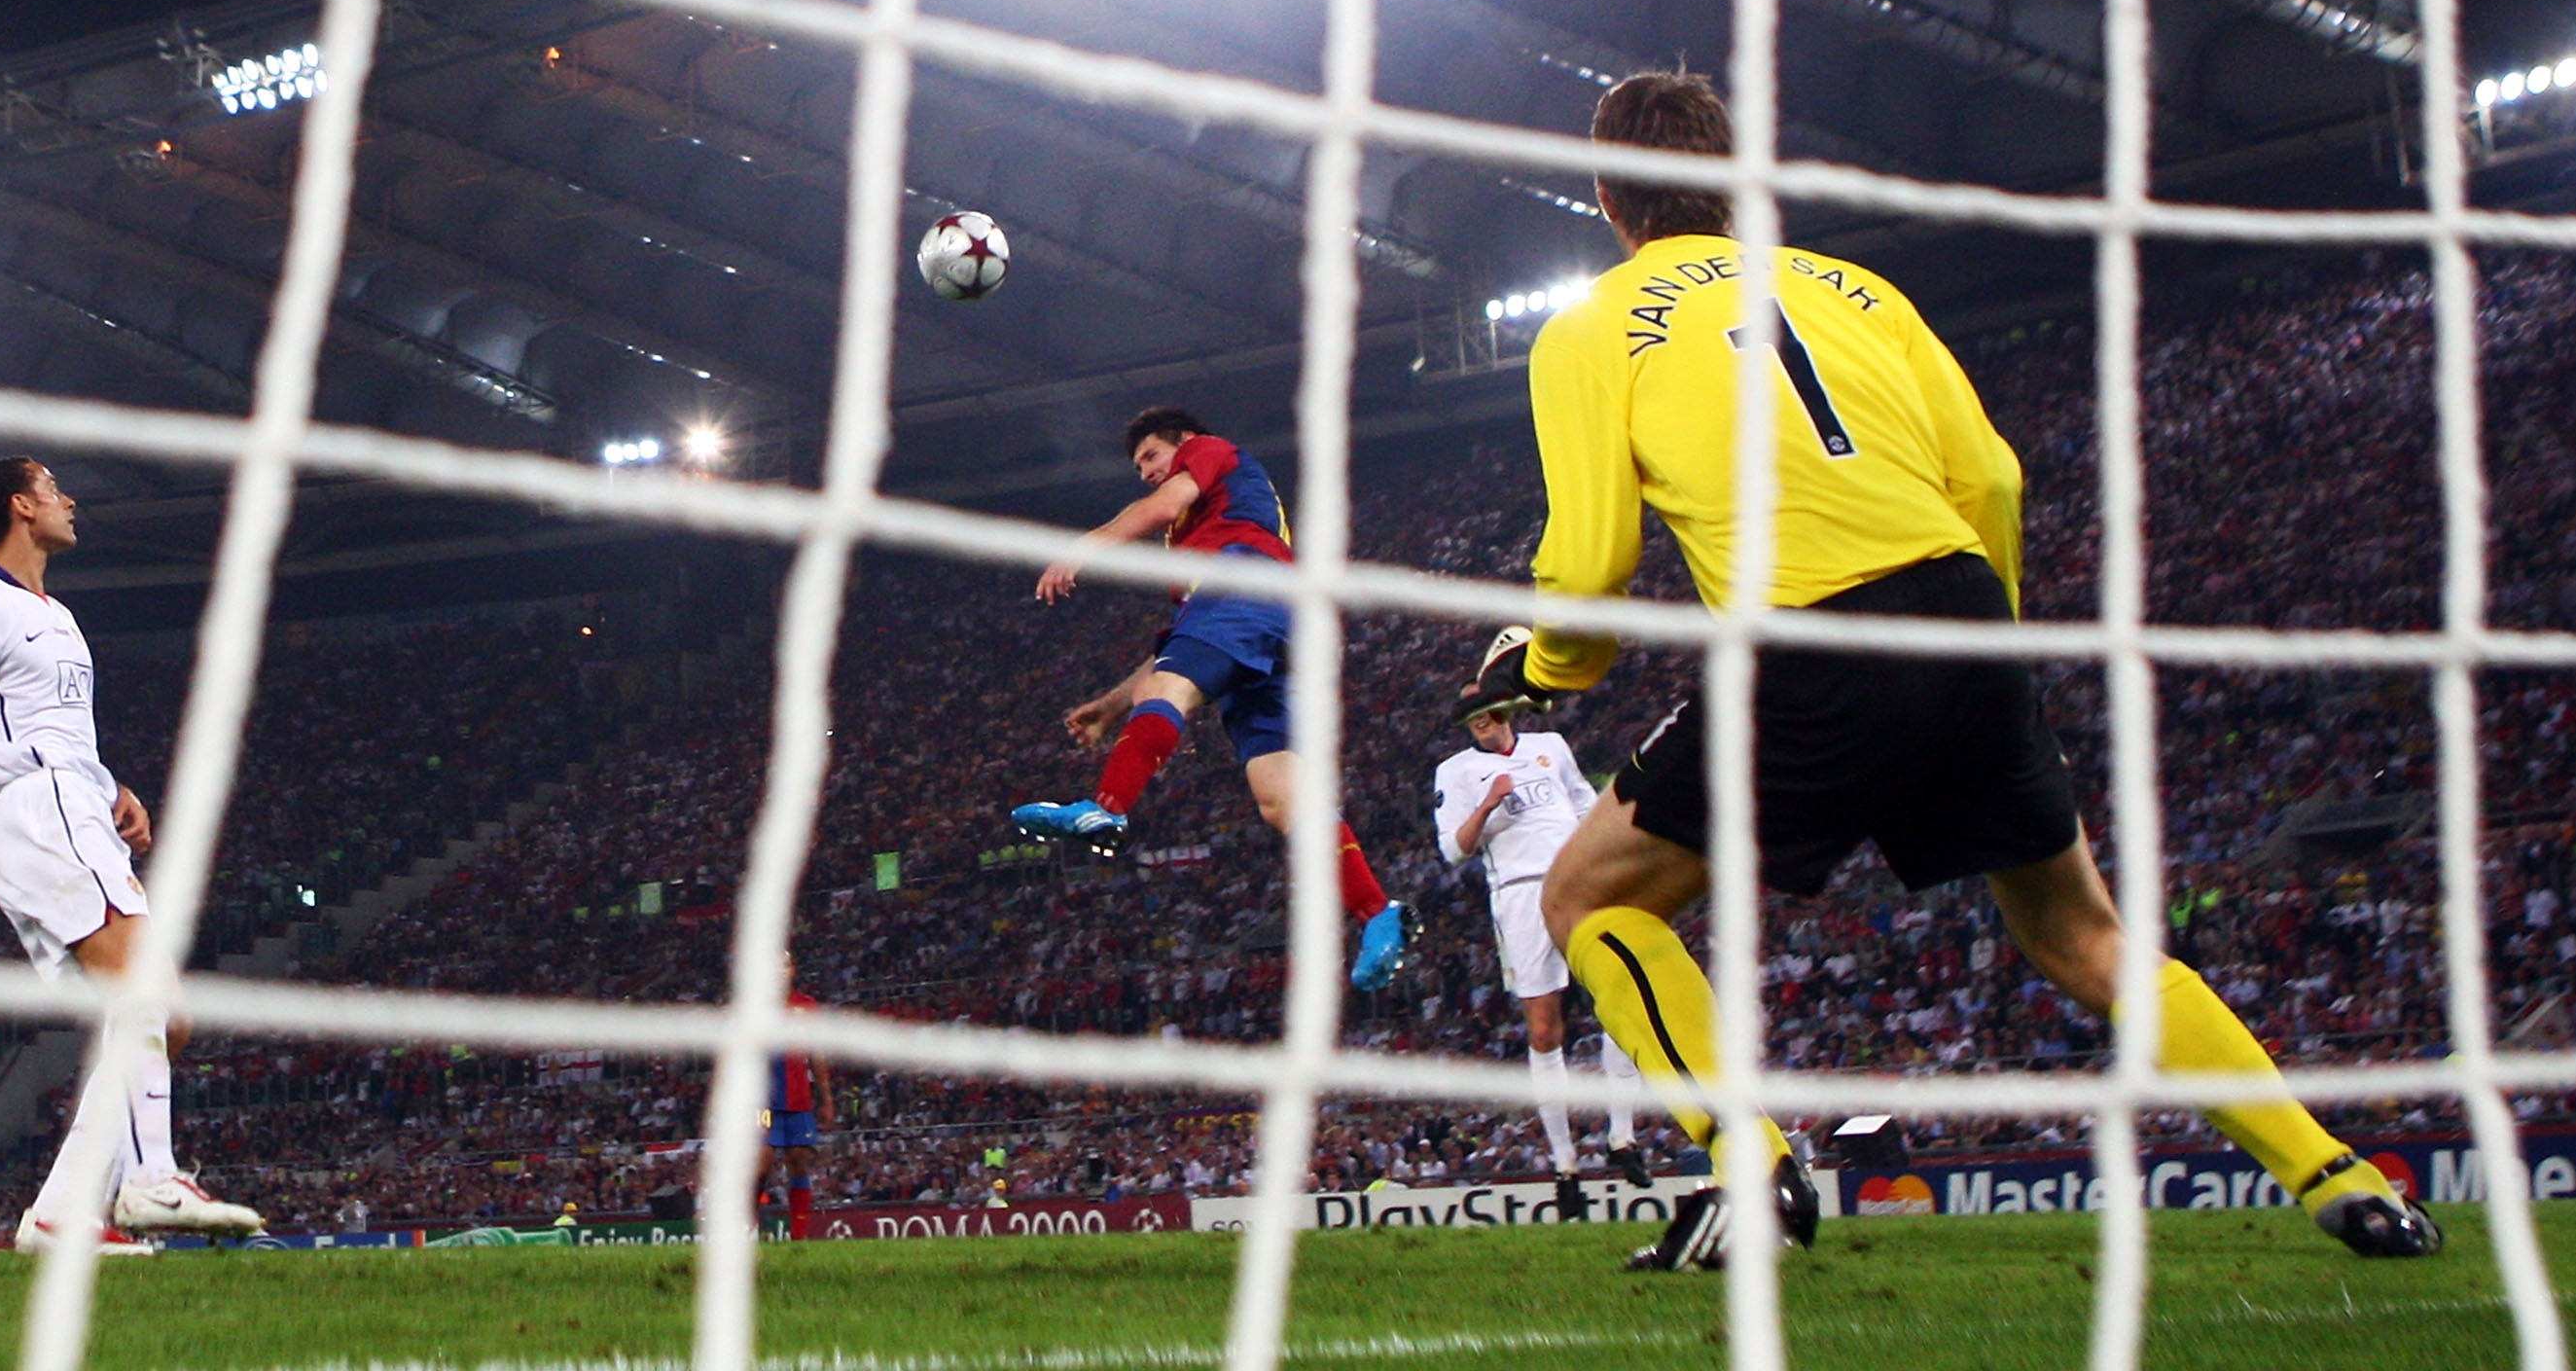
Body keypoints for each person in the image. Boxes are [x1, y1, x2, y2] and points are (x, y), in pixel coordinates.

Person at [1459, 72, 2442, 1273]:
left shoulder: (1591, 327)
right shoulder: (1858, 291)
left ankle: (1751, 1166)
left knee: (1589, 904)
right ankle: (2337, 1178)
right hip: (1966, 614)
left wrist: (1547, 668)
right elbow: (1995, 484)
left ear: (1606, 199)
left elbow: (1595, 557)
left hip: (1814, 639)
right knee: (2087, 939)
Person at [0, 456, 263, 1255]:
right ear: (23, 506)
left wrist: (108, 787)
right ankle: (151, 1179)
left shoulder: (54, 614)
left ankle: (63, 1214)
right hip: (39, 813)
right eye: (55, 487)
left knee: (167, 1019)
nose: (71, 500)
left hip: (72, 806)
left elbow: (49, 731)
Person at [1011, 406, 1410, 991]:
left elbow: (1160, 508)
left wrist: (1081, 550)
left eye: (1150, 456)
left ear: (1185, 442)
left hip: (1249, 590)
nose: (1145, 472)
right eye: (1139, 464)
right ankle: (1378, 913)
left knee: (1171, 689)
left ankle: (1108, 806)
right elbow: (1188, 645)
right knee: (1281, 800)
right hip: (1279, 620)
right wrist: (1113, 704)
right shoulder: (1202, 539)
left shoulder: (1212, 452)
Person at [1430, 708, 1646, 1217]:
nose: (1481, 721)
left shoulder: (1552, 745)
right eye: (1472, 715)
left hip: (1579, 883)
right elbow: (1452, 851)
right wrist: (1487, 804)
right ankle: (1565, 1166)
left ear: (1508, 710)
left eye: (1489, 710)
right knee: (1545, 1029)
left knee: (1619, 1000)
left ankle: (1623, 1137)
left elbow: (1585, 804)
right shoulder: (1455, 770)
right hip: (1520, 896)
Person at [766, 968, 830, 1240]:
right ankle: (755, 1230)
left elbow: (817, 1054)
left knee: (799, 1163)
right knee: (762, 1165)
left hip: (798, 1101)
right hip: (763, 1103)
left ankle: (798, 1238)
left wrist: (826, 1099)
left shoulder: (807, 1006)